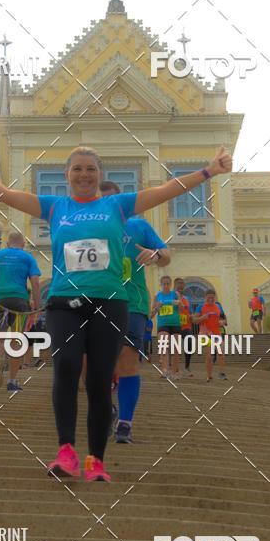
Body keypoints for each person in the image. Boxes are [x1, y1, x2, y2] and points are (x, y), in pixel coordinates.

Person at [0, 144, 232, 482]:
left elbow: (167, 189)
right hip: (65, 300)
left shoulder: (117, 206)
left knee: (98, 378)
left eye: (90, 169)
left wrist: (209, 171)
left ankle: (95, 458)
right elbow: (4, 194)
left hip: (110, 302)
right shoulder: (54, 206)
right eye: (77, 169)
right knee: (65, 365)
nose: (84, 174)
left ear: (100, 175)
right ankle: (66, 452)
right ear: (67, 175)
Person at [99, 180, 171, 444]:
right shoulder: (88, 227)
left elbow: (166, 254)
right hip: (96, 303)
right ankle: (107, 409)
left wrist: (155, 255)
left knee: (127, 360)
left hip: (133, 304)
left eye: (112, 201)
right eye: (102, 201)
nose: (108, 206)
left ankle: (125, 423)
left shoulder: (138, 226)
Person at [0, 231, 41, 392]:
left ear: (7, 243)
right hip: (19, 300)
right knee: (18, 340)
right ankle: (12, 381)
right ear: (23, 244)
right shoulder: (27, 258)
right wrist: (36, 307)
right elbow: (36, 282)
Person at [151, 276, 182, 381]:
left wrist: (179, 303)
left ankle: (174, 372)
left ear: (171, 284)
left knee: (176, 348)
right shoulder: (157, 296)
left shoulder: (175, 294)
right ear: (161, 284)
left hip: (175, 323)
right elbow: (151, 315)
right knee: (163, 346)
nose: (166, 286)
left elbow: (182, 310)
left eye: (168, 284)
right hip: (163, 324)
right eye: (164, 284)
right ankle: (165, 370)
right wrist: (157, 307)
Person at [194, 289, 228, 382]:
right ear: (205, 297)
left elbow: (226, 321)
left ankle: (222, 373)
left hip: (217, 333)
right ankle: (209, 375)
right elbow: (194, 320)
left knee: (221, 353)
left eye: (212, 298)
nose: (211, 300)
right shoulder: (200, 306)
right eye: (209, 298)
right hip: (204, 333)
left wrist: (222, 322)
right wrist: (203, 317)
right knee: (209, 356)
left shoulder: (218, 306)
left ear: (215, 297)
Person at [174, 278, 194, 376]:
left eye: (182, 284)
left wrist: (191, 316)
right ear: (174, 285)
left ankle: (187, 366)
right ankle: (172, 367)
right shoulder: (171, 296)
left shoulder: (187, 299)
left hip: (186, 326)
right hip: (174, 325)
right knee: (174, 347)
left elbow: (190, 312)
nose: (181, 285)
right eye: (179, 284)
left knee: (190, 343)